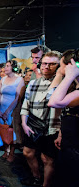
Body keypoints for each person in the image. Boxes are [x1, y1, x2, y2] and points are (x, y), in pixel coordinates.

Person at [20, 51, 62, 187]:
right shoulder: (32, 83)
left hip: (51, 128)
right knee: (27, 152)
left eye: (52, 64)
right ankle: (36, 177)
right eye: (44, 63)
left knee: (47, 159)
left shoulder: (63, 84)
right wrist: (23, 123)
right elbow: (26, 104)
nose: (47, 67)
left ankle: (46, 184)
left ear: (59, 66)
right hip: (32, 125)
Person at [48, 49, 79, 187]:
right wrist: (61, 134)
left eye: (61, 66)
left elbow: (54, 102)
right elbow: (67, 112)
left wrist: (67, 76)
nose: (59, 70)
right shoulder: (74, 87)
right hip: (68, 142)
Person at [0, 60, 25, 162]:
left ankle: (11, 153)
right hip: (2, 108)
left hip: (13, 109)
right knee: (3, 129)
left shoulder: (19, 80)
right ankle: (5, 150)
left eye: (8, 66)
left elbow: (17, 98)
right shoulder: (2, 79)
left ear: (13, 68)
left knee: (12, 131)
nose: (5, 68)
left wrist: (8, 111)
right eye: (5, 66)